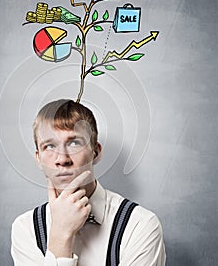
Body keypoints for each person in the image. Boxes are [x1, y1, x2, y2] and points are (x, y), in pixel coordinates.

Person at [11, 99, 166, 265]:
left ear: (96, 152)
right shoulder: (26, 229)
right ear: (39, 159)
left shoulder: (140, 225)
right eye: (49, 146)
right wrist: (61, 234)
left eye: (74, 143)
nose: (62, 159)